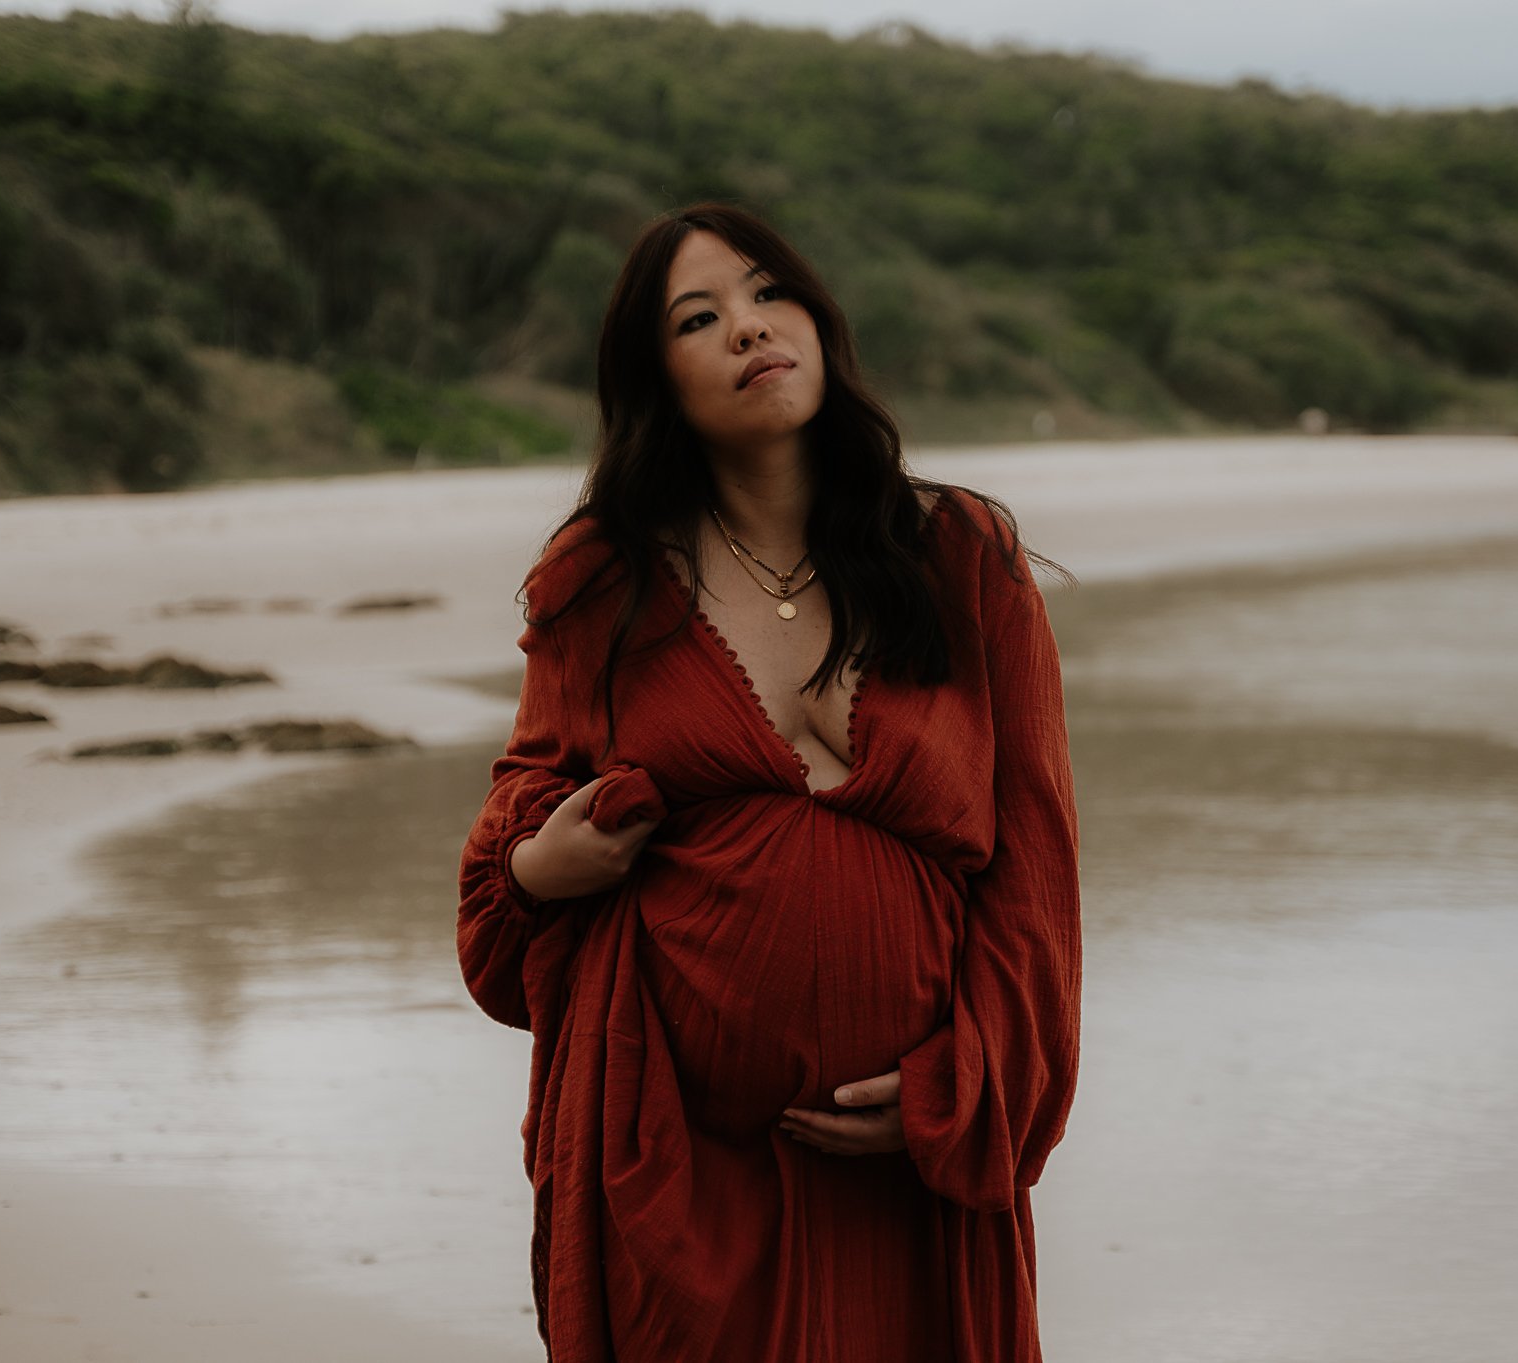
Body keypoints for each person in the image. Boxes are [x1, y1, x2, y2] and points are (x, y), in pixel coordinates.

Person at [456, 201, 1082, 1362]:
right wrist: (546, 864)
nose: (747, 328)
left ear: (816, 321)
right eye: (699, 318)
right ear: (657, 379)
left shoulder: (961, 558)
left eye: (766, 292)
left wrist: (964, 1080)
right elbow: (501, 909)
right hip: (675, 1172)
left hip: (908, 1180)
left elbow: (1033, 871)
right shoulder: (599, 582)